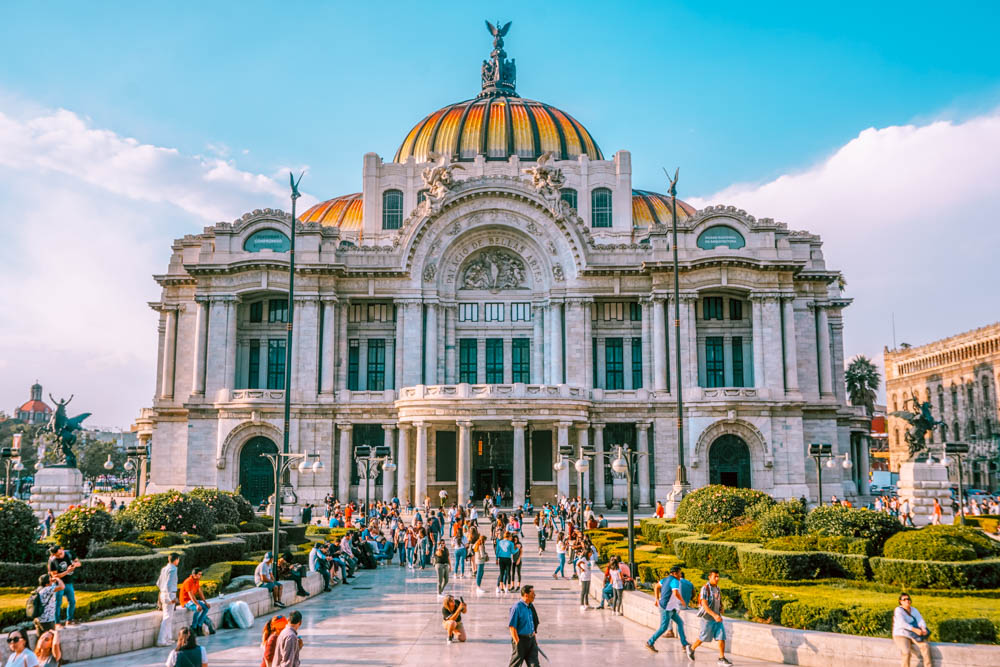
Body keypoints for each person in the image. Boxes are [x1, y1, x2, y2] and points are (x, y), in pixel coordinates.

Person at [647, 565, 694, 659]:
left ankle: (684, 644)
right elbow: (675, 592)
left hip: (671, 608)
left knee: (680, 623)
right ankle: (650, 642)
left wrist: (656, 599)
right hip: (666, 608)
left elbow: (656, 586)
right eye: (679, 573)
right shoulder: (674, 581)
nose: (680, 575)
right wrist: (683, 601)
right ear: (674, 573)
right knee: (663, 628)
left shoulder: (665, 579)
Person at [689, 570, 731, 665]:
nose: (717, 579)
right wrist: (714, 615)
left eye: (718, 576)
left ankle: (721, 658)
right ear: (709, 577)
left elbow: (718, 600)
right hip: (707, 619)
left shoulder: (717, 588)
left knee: (721, 637)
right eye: (715, 576)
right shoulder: (705, 588)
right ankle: (691, 648)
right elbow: (704, 605)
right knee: (703, 638)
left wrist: (721, 608)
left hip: (717, 619)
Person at [893, 593, 933, 667]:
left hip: (913, 634)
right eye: (904, 599)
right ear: (900, 602)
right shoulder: (898, 610)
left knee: (925, 646)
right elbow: (902, 623)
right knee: (906, 652)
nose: (907, 601)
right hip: (901, 634)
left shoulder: (914, 610)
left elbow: (920, 620)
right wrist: (914, 629)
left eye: (908, 599)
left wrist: (923, 628)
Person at [47, 544, 80, 627]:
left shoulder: (69, 553)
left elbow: (79, 563)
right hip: (58, 584)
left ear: (62, 549)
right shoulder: (52, 560)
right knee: (57, 603)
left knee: (72, 602)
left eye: (60, 554)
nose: (60, 556)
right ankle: (57, 623)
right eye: (57, 555)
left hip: (69, 582)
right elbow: (55, 576)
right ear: (53, 555)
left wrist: (75, 565)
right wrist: (67, 571)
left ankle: (69, 620)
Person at [508, 585, 540, 667]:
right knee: (515, 664)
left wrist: (534, 639)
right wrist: (517, 643)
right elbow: (512, 627)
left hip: (531, 640)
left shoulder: (530, 606)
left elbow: (532, 623)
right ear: (526, 595)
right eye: (532, 593)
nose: (534, 595)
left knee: (535, 665)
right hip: (521, 640)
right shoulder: (516, 607)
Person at [179, 568, 216, 636]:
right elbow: (191, 595)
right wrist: (197, 605)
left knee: (206, 608)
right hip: (186, 601)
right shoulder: (188, 581)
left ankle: (199, 625)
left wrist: (205, 602)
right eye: (199, 574)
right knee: (198, 609)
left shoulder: (197, 580)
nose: (200, 576)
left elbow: (200, 592)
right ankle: (194, 627)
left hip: (192, 600)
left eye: (201, 574)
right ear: (194, 575)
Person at [157, 553, 181, 647]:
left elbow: (159, 583)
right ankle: (161, 640)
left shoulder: (164, 569)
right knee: (167, 618)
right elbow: (169, 584)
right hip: (169, 594)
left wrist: (164, 593)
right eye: (178, 560)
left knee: (168, 617)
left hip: (163, 594)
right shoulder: (173, 569)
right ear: (176, 560)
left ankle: (167, 638)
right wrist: (171, 597)